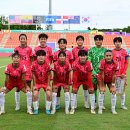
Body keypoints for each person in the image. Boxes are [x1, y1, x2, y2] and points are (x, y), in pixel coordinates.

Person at [0, 51, 33, 115]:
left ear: (20, 59)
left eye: (17, 58)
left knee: (29, 93)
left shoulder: (23, 67)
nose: (16, 59)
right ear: (12, 59)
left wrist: (27, 87)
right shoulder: (8, 67)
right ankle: (2, 110)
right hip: (11, 83)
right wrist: (4, 87)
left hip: (19, 83)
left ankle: (29, 109)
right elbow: (7, 79)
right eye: (14, 57)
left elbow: (23, 78)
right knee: (1, 94)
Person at [70, 50, 95, 114]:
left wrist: (90, 86)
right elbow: (75, 76)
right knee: (74, 90)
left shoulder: (89, 63)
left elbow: (89, 76)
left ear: (86, 56)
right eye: (81, 56)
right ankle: (72, 108)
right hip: (78, 79)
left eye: (84, 56)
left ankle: (92, 109)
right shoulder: (75, 63)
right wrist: (74, 85)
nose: (83, 57)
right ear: (79, 56)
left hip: (87, 79)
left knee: (91, 90)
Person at [14, 33, 33, 111]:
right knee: (17, 88)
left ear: (26, 39)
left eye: (24, 38)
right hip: (18, 71)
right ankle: (17, 105)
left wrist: (30, 67)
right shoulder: (16, 49)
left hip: (28, 71)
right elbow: (15, 59)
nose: (22, 40)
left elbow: (31, 59)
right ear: (19, 40)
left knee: (28, 87)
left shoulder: (29, 49)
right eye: (21, 38)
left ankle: (29, 105)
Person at [34, 33, 53, 107]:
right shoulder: (36, 49)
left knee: (47, 88)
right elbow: (35, 60)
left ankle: (47, 106)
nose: (43, 40)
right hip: (38, 72)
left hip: (47, 71)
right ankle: (36, 105)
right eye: (41, 39)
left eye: (44, 39)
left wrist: (49, 65)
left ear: (46, 40)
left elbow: (51, 58)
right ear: (39, 40)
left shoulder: (49, 49)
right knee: (36, 89)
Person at [53, 38, 73, 110]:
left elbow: (71, 63)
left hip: (66, 75)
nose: (62, 44)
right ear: (58, 44)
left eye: (63, 43)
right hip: (58, 75)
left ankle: (67, 105)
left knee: (67, 89)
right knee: (57, 90)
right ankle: (57, 104)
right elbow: (55, 64)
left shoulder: (69, 53)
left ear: (66, 44)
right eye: (60, 43)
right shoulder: (55, 53)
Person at [88, 35, 107, 109]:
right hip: (93, 73)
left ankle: (101, 103)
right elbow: (89, 62)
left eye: (100, 40)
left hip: (102, 73)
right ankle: (95, 103)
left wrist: (101, 73)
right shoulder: (91, 50)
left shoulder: (105, 50)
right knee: (94, 88)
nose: (98, 41)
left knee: (102, 88)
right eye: (97, 40)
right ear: (95, 41)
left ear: (102, 41)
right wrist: (94, 73)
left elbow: (107, 62)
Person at [97, 50, 118, 114]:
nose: (108, 57)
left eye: (110, 55)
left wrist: (113, 85)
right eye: (107, 55)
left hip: (110, 79)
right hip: (101, 79)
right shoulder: (102, 62)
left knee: (113, 92)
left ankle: (113, 109)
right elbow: (102, 75)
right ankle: (100, 108)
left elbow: (114, 75)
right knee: (102, 91)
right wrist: (102, 85)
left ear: (112, 56)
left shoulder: (115, 63)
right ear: (104, 56)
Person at [32, 50, 52, 115]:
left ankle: (48, 109)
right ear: (37, 57)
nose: (41, 57)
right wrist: (34, 85)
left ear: (45, 56)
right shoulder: (34, 64)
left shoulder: (47, 64)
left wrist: (48, 85)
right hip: (37, 83)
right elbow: (33, 74)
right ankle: (35, 109)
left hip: (45, 83)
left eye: (42, 55)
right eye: (39, 55)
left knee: (49, 94)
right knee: (35, 94)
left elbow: (49, 74)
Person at [72, 35, 89, 109]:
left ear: (83, 41)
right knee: (75, 87)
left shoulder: (86, 49)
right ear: (76, 41)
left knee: (86, 87)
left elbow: (88, 60)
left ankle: (86, 103)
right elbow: (72, 60)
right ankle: (74, 103)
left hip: (85, 71)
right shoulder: (73, 50)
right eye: (78, 40)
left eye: (81, 40)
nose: (80, 41)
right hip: (76, 71)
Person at [112, 37, 129, 110]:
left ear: (121, 43)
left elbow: (126, 63)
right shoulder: (111, 52)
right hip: (114, 75)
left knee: (122, 91)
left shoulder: (124, 52)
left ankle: (122, 105)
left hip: (122, 75)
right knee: (113, 90)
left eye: (119, 42)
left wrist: (124, 72)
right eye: (116, 42)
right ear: (114, 43)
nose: (117, 43)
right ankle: (113, 106)